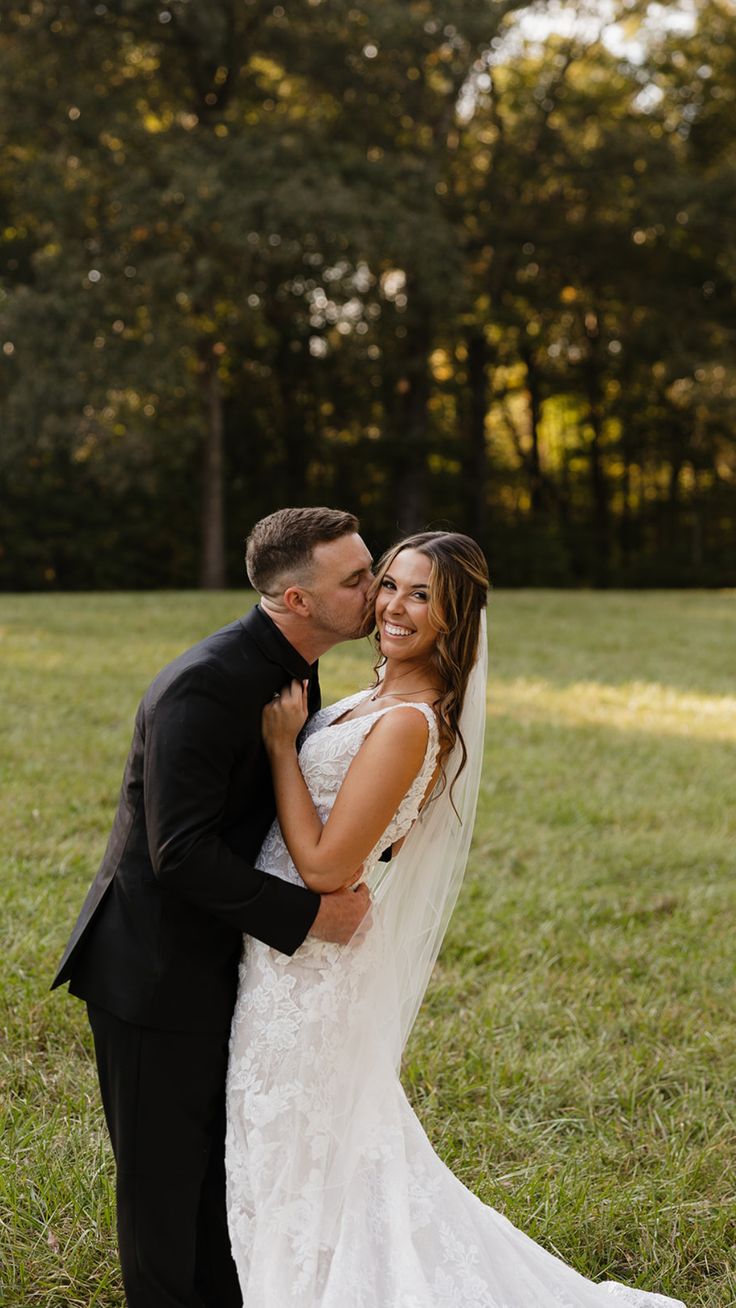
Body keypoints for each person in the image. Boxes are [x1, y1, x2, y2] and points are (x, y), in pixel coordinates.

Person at [225, 530, 685, 1308]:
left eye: (421, 595)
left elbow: (330, 868)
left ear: (454, 616)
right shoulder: (367, 697)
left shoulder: (409, 721)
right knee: (292, 1148)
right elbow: (383, 832)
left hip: (317, 972)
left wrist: (279, 750)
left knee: (309, 1147)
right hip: (283, 954)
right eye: (390, 585)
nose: (394, 606)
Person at [51, 507, 374, 1308]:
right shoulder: (205, 686)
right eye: (357, 579)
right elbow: (179, 852)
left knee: (214, 1177)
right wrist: (308, 919)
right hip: (153, 975)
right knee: (163, 1191)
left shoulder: (293, 665)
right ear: (298, 601)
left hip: (219, 960)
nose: (376, 590)